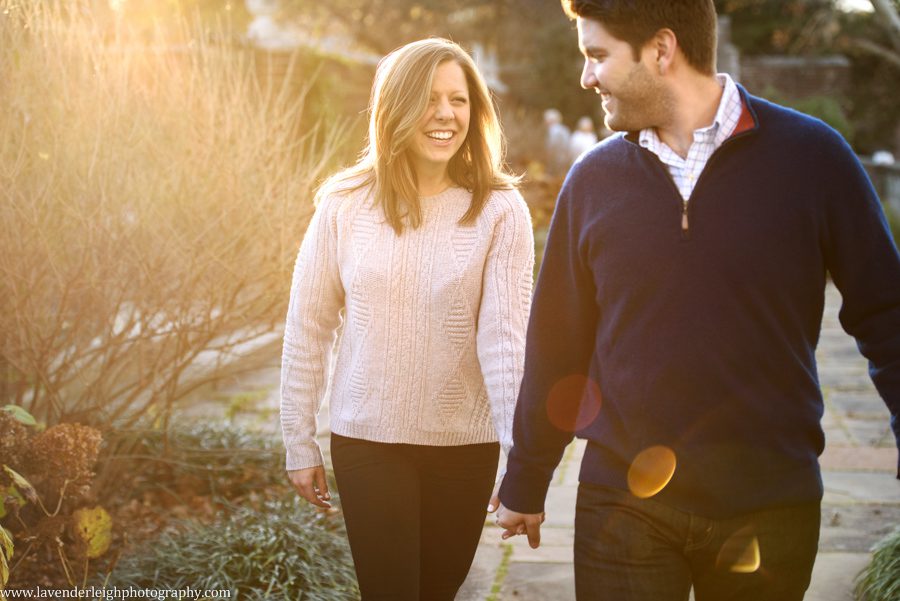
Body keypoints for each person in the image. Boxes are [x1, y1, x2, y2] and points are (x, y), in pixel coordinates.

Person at [496, 1, 900, 600]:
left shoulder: (814, 158)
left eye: (597, 55)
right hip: (621, 505)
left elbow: (887, 313)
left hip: (769, 502)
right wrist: (527, 476)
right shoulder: (593, 180)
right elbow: (559, 343)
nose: (586, 77)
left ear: (661, 50)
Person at [280, 38, 534, 601]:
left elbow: (505, 342)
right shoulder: (343, 204)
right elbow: (309, 326)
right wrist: (299, 442)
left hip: (463, 448)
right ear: (393, 108)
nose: (446, 114)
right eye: (428, 98)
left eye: (459, 100)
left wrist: (524, 459)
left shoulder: (499, 210)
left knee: (437, 591)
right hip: (369, 439)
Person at [544, 108, 572, 178]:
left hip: (556, 157)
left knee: (554, 176)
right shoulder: (564, 129)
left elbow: (552, 145)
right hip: (563, 157)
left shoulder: (554, 129)